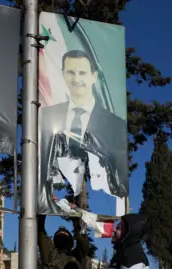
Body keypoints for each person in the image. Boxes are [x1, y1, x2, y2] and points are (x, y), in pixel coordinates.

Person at [38, 49, 129, 214]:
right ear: (63, 74)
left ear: (93, 76)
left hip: (95, 205)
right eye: (71, 72)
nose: (76, 79)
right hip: (55, 200)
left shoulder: (116, 125)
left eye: (82, 72)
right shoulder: (47, 116)